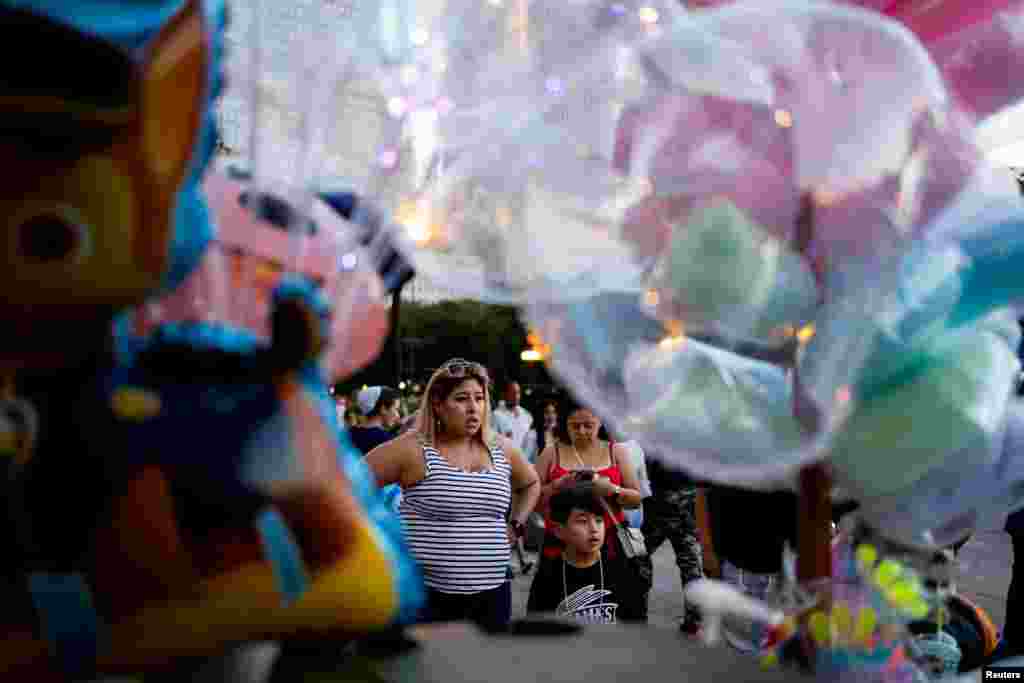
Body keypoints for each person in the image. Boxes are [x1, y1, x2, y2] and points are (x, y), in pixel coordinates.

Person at [366, 359, 539, 632]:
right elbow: (350, 482)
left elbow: (530, 484)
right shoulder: (412, 449)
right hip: (429, 598)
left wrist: (516, 525)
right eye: (461, 399)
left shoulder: (502, 449)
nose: (473, 408)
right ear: (437, 404)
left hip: (493, 594)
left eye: (480, 399)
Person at [534, 397, 644, 571]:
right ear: (565, 424)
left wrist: (612, 490)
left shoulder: (616, 451)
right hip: (561, 544)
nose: (582, 431)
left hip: (610, 543)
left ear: (600, 421)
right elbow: (532, 498)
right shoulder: (551, 453)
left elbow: (636, 500)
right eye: (575, 426)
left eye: (588, 425)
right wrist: (559, 484)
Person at [527, 481, 646, 624]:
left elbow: (636, 626)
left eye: (599, 520)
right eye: (582, 521)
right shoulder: (548, 575)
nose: (594, 528)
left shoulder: (621, 571)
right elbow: (537, 628)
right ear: (559, 530)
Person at [641, 456, 706, 636]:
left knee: (640, 558)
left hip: (657, 497)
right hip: (685, 497)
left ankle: (638, 614)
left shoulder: (656, 433)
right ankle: (694, 621)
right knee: (691, 563)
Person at [349, 386, 402, 455]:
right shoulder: (385, 441)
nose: (398, 415)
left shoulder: (350, 433)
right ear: (383, 409)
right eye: (395, 409)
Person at [492, 382, 535, 459]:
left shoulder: (527, 416)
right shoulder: (496, 415)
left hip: (525, 463)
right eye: (512, 393)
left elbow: (531, 443)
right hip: (505, 463)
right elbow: (492, 443)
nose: (516, 396)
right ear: (504, 394)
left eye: (518, 392)